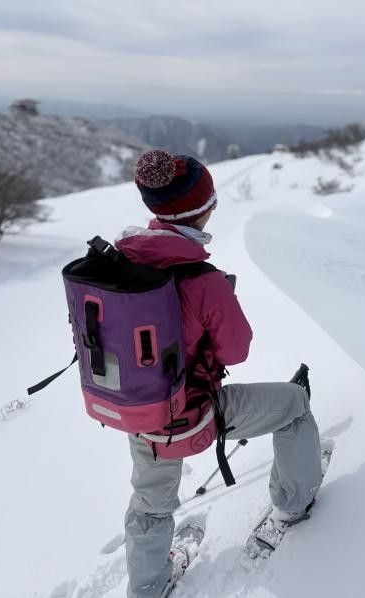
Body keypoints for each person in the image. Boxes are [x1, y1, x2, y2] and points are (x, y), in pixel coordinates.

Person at [117, 149, 322, 598]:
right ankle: (293, 506)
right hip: (194, 413)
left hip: (136, 411)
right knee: (294, 405)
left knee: (150, 504)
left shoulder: (124, 261)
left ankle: (148, 588)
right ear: (201, 210)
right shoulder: (201, 279)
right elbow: (237, 349)